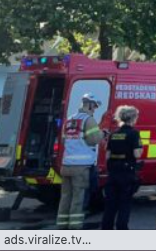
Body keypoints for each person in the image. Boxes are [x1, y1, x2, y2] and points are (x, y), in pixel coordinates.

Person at [56, 94, 103, 229]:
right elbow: (94, 140)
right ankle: (74, 228)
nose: (95, 109)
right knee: (78, 198)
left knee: (65, 197)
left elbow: (64, 140)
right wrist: (102, 134)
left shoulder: (69, 119)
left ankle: (62, 225)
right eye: (94, 106)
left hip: (66, 165)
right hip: (81, 167)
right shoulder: (89, 120)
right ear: (90, 105)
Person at [101, 105, 142, 230]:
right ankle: (122, 228)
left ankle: (106, 228)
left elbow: (107, 155)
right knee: (124, 204)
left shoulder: (114, 134)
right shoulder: (134, 133)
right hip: (126, 173)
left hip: (113, 173)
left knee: (110, 204)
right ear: (133, 118)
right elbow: (137, 154)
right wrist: (140, 149)